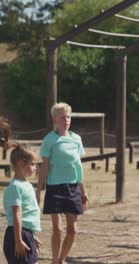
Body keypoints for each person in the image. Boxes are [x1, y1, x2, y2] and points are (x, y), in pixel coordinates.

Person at [36, 102, 89, 264]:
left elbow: (78, 167)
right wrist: (38, 190)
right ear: (55, 119)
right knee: (57, 229)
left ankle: (61, 259)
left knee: (73, 230)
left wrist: (84, 192)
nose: (66, 120)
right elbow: (44, 166)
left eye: (68, 116)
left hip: (73, 187)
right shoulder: (49, 140)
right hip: (55, 188)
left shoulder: (76, 139)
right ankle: (54, 260)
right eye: (62, 117)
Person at [1, 117, 42, 264]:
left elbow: (25, 217)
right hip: (17, 235)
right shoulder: (15, 187)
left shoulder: (26, 184)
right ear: (21, 163)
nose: (35, 167)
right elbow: (17, 215)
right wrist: (19, 240)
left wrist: (31, 236)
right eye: (33, 164)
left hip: (25, 234)